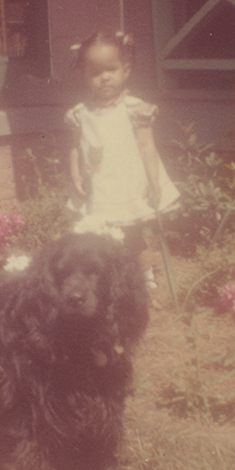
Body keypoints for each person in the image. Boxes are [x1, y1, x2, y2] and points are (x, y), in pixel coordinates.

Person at [65, 31, 180, 289]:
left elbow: (147, 146)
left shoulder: (134, 109)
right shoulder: (80, 114)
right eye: (95, 73)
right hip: (98, 184)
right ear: (85, 75)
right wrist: (75, 173)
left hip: (127, 183)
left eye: (111, 69)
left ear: (125, 71)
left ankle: (145, 277)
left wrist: (153, 180)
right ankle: (107, 279)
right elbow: (75, 147)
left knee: (133, 236)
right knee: (98, 236)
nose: (104, 77)